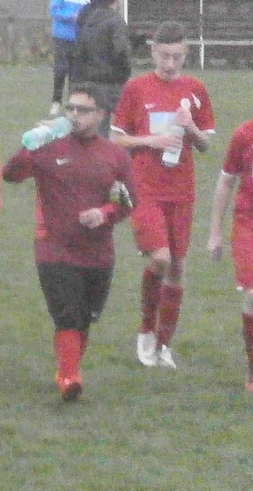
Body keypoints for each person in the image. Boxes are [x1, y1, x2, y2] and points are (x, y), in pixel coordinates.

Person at [2, 83, 136, 401]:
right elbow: (10, 174)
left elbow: (128, 200)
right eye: (70, 108)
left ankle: (68, 367)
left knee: (85, 318)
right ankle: (70, 376)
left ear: (101, 114)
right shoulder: (49, 147)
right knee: (67, 314)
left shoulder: (115, 156)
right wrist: (31, 144)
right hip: (55, 249)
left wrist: (103, 214)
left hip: (98, 254)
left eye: (83, 109)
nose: (75, 115)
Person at [111, 20, 215, 370]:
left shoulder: (195, 89)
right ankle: (146, 329)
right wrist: (152, 141)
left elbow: (205, 145)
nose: (171, 64)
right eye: (165, 56)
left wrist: (190, 127)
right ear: (153, 52)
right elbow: (117, 139)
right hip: (145, 188)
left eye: (178, 57)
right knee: (160, 259)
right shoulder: (136, 88)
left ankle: (165, 344)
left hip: (182, 191)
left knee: (178, 266)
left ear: (186, 55)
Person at [207, 116, 253, 392]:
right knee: (252, 295)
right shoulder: (244, 135)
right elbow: (226, 182)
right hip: (248, 224)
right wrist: (215, 232)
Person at [69, 0, 131, 136]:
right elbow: (121, 51)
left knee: (96, 129)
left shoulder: (87, 18)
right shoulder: (115, 20)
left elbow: (78, 51)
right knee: (130, 121)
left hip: (89, 80)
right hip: (112, 81)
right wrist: (124, 73)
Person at [49, 0, 91, 117]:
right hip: (61, 36)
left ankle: (72, 105)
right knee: (61, 70)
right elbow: (54, 11)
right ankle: (56, 101)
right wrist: (71, 16)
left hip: (79, 38)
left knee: (76, 73)